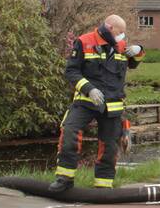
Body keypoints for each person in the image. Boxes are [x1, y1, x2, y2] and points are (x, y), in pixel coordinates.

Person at [48, 15, 146, 192]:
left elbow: (133, 65)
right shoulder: (84, 42)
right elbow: (71, 71)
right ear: (109, 27)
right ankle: (64, 179)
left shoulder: (121, 47)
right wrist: (89, 89)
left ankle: (103, 185)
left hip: (113, 105)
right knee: (70, 132)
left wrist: (138, 50)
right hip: (86, 101)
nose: (122, 36)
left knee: (109, 146)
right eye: (120, 32)